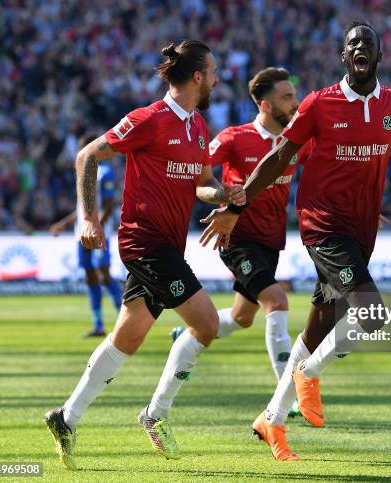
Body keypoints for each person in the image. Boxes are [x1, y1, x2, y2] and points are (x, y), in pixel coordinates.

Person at [199, 21, 391, 461]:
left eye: (368, 43)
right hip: (322, 226)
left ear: (378, 56)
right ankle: (309, 375)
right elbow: (279, 156)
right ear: (344, 57)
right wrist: (236, 207)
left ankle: (272, 419)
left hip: (362, 232)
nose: (360, 48)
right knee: (372, 313)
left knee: (316, 330)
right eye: (352, 43)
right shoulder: (320, 104)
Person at [44, 39, 246, 470]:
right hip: (144, 242)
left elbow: (201, 184)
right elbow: (87, 155)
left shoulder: (197, 126)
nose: (216, 78)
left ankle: (66, 417)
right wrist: (88, 217)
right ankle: (156, 414)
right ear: (196, 77)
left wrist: (223, 194)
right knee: (208, 324)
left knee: (128, 335)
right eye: (212, 71)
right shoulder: (149, 120)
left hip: (169, 244)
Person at [170, 67, 307, 417]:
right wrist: (220, 197)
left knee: (242, 317)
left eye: (294, 95)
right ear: (264, 104)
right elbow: (198, 171)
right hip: (237, 238)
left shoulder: (297, 141)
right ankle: (286, 397)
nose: (295, 102)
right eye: (287, 97)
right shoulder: (234, 137)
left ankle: (186, 334)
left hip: (271, 241)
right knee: (276, 302)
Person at [50, 134, 123, 337]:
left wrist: (97, 226)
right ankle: (98, 324)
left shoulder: (105, 173)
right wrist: (63, 224)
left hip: (100, 232)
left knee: (103, 274)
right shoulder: (83, 172)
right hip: (81, 233)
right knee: (90, 277)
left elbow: (109, 206)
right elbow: (82, 207)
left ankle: (124, 320)